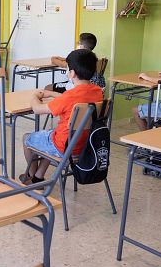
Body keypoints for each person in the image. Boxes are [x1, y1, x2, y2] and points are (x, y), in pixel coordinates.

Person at [20, 49, 103, 185]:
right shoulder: (97, 92)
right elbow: (70, 99)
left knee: (26, 139)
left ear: (72, 73)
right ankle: (38, 177)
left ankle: (30, 175)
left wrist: (35, 96)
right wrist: (52, 94)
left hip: (64, 147)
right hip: (85, 145)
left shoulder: (69, 96)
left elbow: (37, 109)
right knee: (51, 135)